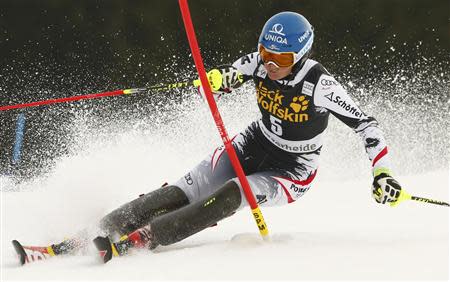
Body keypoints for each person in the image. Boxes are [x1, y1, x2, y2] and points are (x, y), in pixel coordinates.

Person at [13, 11, 402, 264]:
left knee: (235, 194)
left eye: (280, 60)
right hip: (254, 143)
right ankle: (90, 233)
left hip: (292, 169)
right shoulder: (260, 64)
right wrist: (219, 79)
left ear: (300, 57)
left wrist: (382, 173)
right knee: (180, 190)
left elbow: (368, 125)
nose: (270, 65)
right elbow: (230, 74)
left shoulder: (322, 85)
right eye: (266, 54)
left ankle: (145, 237)